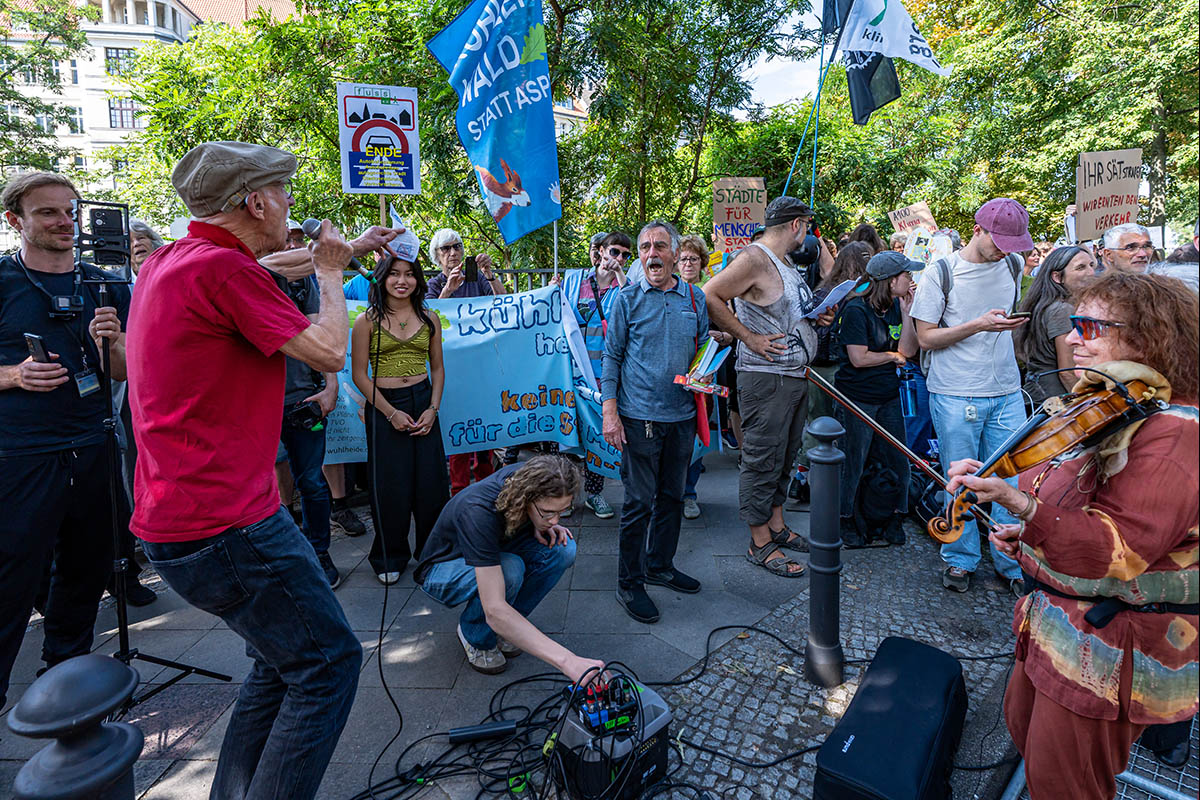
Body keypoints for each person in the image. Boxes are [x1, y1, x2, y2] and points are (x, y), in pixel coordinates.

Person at [125, 142, 393, 798]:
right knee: (330, 664)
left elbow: (273, 262)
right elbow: (330, 351)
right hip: (230, 527)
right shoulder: (223, 273)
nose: (292, 204)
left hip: (179, 527)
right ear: (257, 201)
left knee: (281, 665)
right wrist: (333, 274)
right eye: (284, 191)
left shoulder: (176, 259)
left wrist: (350, 247)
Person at [945, 271, 1198, 800]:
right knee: (1030, 743)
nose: (1074, 337)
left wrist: (1019, 502)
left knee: (1068, 785)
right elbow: (1070, 498)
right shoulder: (1125, 406)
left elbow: (1118, 549)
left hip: (1107, 650)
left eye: (1090, 326)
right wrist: (1027, 531)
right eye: (1073, 323)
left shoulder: (1176, 435)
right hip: (1057, 625)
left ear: (1151, 337)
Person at [0, 172, 130, 708]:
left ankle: (67, 683)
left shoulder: (104, 283)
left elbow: (122, 372)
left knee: (88, 567)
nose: (64, 221)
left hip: (94, 443)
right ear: (15, 221)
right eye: (48, 213)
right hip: (23, 454)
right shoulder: (4, 281)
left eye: (70, 210)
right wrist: (13, 376)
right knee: (12, 575)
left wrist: (114, 341)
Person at [703, 197, 837, 579]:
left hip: (793, 376)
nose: (809, 234)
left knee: (784, 456)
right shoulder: (755, 257)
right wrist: (749, 337)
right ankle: (759, 541)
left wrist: (819, 317)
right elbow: (711, 294)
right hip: (766, 377)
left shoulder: (786, 264)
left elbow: (789, 312)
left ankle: (776, 524)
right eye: (808, 226)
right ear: (797, 225)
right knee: (762, 459)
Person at [911, 197, 1032, 595]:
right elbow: (926, 337)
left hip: (1007, 390)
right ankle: (959, 558)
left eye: (1011, 245)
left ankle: (1012, 560)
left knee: (1009, 479)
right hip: (955, 391)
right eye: (998, 242)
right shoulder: (940, 273)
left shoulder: (1013, 265)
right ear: (977, 229)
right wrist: (978, 325)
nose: (1004, 251)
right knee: (961, 479)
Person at [603, 220, 710, 623]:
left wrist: (707, 371)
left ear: (675, 252)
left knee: (672, 497)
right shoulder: (626, 299)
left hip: (681, 416)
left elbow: (701, 351)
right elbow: (611, 357)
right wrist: (610, 412)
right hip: (638, 417)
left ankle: (659, 565)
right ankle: (629, 583)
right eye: (645, 246)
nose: (651, 254)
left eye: (660, 246)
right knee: (637, 503)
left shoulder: (695, 299)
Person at [415, 455, 605, 679]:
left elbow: (519, 515)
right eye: (548, 512)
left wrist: (539, 522)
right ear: (526, 499)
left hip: (494, 547)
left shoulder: (526, 478)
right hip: (442, 569)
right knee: (510, 572)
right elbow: (494, 609)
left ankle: (511, 627)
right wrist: (569, 661)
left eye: (561, 511)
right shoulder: (478, 511)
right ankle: (476, 636)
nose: (555, 520)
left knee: (563, 550)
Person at [352, 248, 450, 585]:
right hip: (384, 406)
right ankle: (389, 555)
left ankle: (433, 554)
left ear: (418, 280)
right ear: (382, 278)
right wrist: (390, 412)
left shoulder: (429, 318)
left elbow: (437, 369)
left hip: (423, 400)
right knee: (388, 484)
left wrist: (432, 409)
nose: (402, 281)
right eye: (394, 273)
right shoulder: (366, 321)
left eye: (409, 274)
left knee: (431, 484)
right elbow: (359, 375)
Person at [833, 251, 920, 547]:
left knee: (899, 459)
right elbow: (858, 358)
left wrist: (907, 314)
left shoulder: (895, 307)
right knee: (853, 462)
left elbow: (908, 350)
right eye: (906, 275)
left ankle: (896, 515)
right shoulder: (857, 310)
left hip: (888, 396)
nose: (911, 280)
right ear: (890, 280)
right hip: (857, 397)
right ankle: (845, 519)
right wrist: (891, 356)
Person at [273, 219, 342, 587]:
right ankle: (281, 555)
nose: (290, 246)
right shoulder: (248, 278)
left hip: (304, 399)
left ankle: (319, 552)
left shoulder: (302, 284)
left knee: (312, 482)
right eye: (285, 240)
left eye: (296, 240)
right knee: (265, 486)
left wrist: (330, 387)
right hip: (259, 405)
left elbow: (323, 337)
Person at [789, 241, 874, 504]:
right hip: (839, 367)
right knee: (837, 428)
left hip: (815, 368)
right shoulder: (859, 296)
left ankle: (801, 477)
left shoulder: (821, 291)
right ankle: (833, 484)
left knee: (817, 425)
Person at [426, 227, 503, 494]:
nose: (452, 253)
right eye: (445, 249)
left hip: (481, 366)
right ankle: (458, 491)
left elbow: (503, 302)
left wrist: (490, 275)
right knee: (458, 428)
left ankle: (487, 487)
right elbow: (427, 320)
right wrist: (448, 290)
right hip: (451, 369)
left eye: (456, 246)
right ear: (436, 256)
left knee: (484, 430)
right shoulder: (435, 284)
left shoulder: (477, 279)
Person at [561, 231, 631, 519]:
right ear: (600, 251)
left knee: (598, 438)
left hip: (603, 376)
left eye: (626, 255)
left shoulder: (624, 287)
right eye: (614, 252)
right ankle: (562, 496)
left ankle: (594, 494)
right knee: (564, 436)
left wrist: (622, 275)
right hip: (571, 373)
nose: (619, 259)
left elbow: (635, 308)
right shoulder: (574, 279)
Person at [677, 234, 734, 520]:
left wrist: (717, 336)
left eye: (693, 258)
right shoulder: (666, 289)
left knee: (697, 436)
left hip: (703, 375)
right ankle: (668, 492)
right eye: (684, 258)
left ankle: (688, 493)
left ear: (702, 263)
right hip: (673, 375)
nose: (688, 263)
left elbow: (731, 333)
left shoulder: (711, 293)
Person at [1014, 246, 1097, 405]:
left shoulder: (1051, 304)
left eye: (1091, 265)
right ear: (1057, 277)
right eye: (1080, 268)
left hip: (1042, 398)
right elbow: (1067, 371)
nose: (1091, 273)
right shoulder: (1061, 309)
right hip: (1054, 403)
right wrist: (1084, 405)